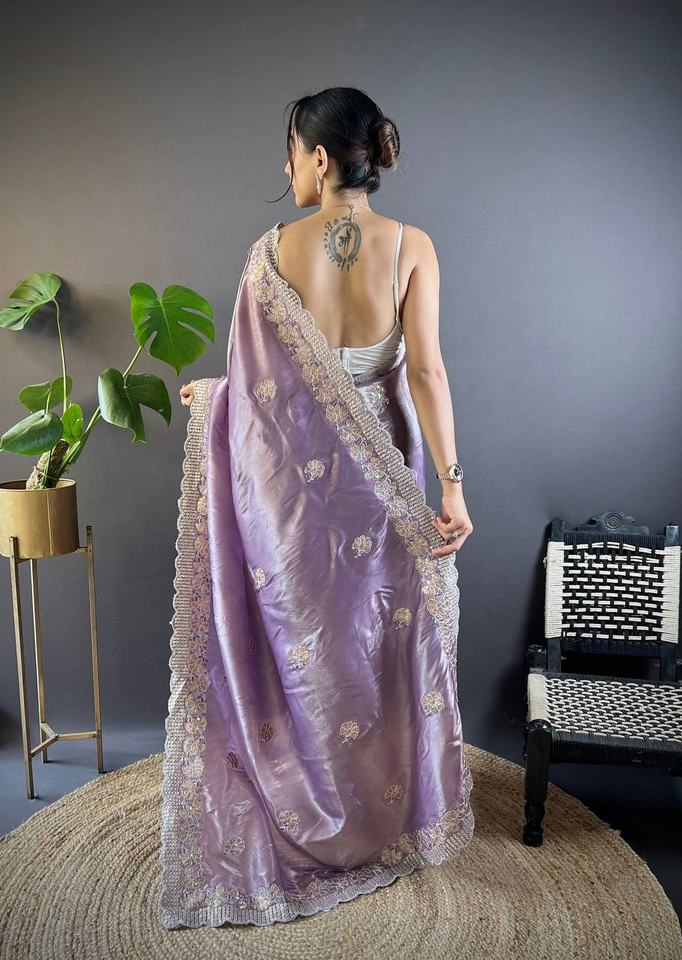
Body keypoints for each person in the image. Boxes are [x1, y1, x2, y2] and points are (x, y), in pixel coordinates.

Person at [161, 86, 475, 929]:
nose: (288, 167)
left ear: (322, 157)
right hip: (384, 484)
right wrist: (451, 485)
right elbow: (426, 372)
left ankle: (311, 809)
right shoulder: (412, 246)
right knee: (378, 646)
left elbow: (265, 398)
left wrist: (216, 399)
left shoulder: (270, 255)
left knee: (312, 651)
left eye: (293, 153)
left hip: (297, 499)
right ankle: (383, 815)